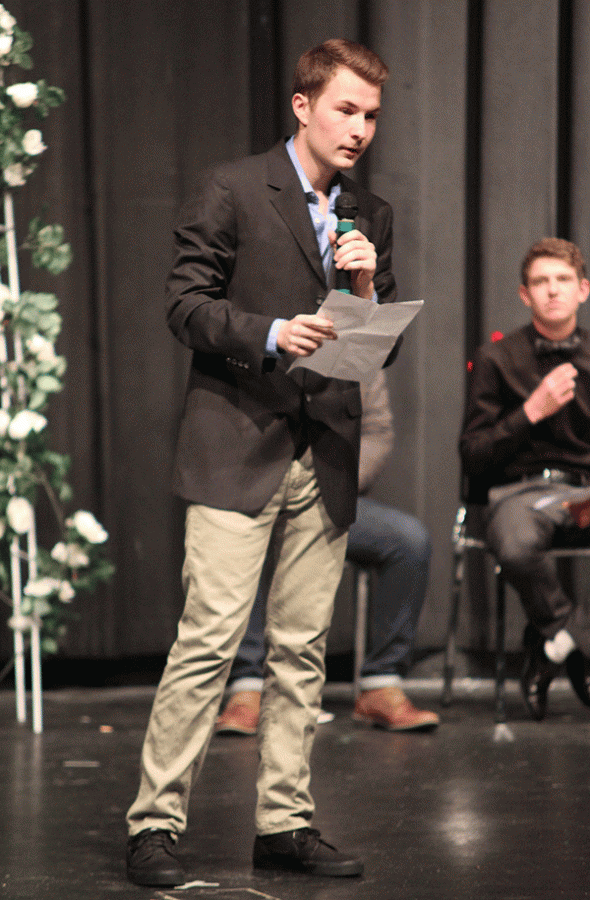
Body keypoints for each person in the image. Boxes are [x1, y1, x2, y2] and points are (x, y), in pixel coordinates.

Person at [125, 39, 397, 887]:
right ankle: (153, 827)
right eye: (347, 109)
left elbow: (371, 350)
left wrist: (366, 289)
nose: (360, 129)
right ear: (304, 105)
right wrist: (273, 334)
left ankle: (284, 822)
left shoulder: (370, 214)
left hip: (328, 449)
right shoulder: (234, 187)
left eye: (373, 115)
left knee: (302, 648)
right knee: (207, 642)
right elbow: (185, 304)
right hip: (238, 438)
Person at [216, 368, 440, 735]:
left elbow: (377, 432)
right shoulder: (261, 338)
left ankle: (380, 684)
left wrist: (333, 484)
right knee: (238, 538)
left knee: (408, 541)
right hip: (257, 494)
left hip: (329, 495)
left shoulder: (355, 349)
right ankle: (248, 688)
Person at [460, 237, 590, 721]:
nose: (552, 291)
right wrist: (531, 412)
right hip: (521, 491)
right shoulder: (498, 359)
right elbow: (472, 455)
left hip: (584, 492)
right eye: (540, 282)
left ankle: (551, 641)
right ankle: (568, 638)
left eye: (562, 281)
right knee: (513, 543)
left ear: (583, 290)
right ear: (524, 294)